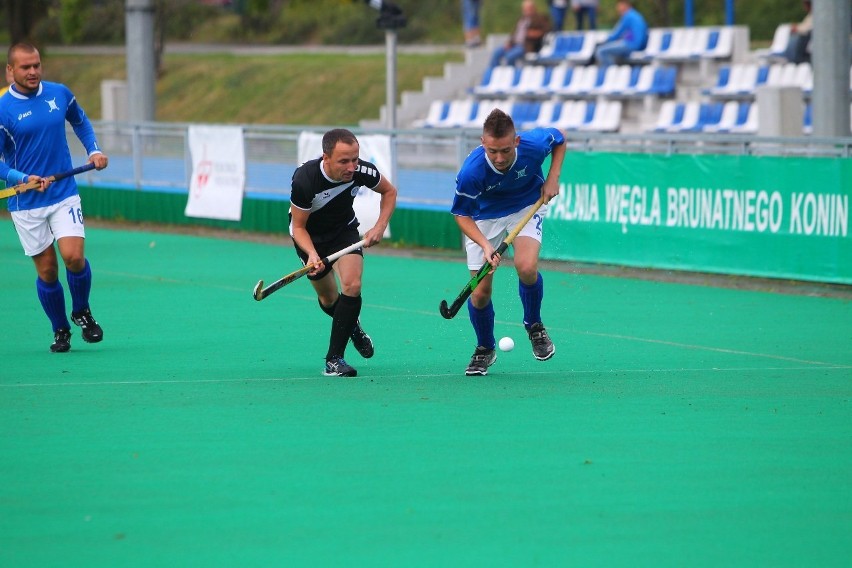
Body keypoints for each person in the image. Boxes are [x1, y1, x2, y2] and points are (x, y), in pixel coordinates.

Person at [0, 43, 109, 353]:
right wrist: (21, 179)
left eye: (36, 65)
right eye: (25, 67)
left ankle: (82, 312)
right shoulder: (3, 110)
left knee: (74, 257)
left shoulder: (59, 93)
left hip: (63, 193)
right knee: (47, 270)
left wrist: (95, 150)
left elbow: (80, 120)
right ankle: (60, 328)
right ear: (11, 70)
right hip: (27, 201)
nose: (33, 71)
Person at [450, 108, 566, 376]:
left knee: (526, 267)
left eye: (505, 150)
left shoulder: (534, 145)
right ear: (483, 143)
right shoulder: (471, 172)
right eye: (492, 151)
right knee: (479, 293)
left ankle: (534, 326)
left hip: (526, 207)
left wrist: (552, 177)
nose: (499, 158)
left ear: (516, 141)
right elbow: (461, 214)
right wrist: (486, 245)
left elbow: (560, 138)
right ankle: (485, 348)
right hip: (484, 219)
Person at [289, 128, 397, 377]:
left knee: (352, 285)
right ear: (326, 158)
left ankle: (334, 359)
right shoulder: (305, 180)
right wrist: (312, 254)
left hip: (343, 232)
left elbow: (389, 192)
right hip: (309, 237)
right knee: (329, 300)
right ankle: (352, 328)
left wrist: (379, 226)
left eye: (355, 159)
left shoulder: (362, 171)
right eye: (344, 161)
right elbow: (299, 227)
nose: (351, 167)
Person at [489, 0, 551, 68]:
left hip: (526, 46)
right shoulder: (521, 19)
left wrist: (536, 33)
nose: (526, 11)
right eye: (525, 9)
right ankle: (495, 72)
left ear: (533, 8)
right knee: (497, 53)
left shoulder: (540, 18)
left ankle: (512, 74)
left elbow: (548, 30)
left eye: (528, 8)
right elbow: (514, 34)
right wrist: (509, 43)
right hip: (514, 44)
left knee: (509, 57)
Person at [594, 0, 648, 67]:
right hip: (640, 45)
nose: (617, 8)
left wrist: (605, 41)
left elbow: (617, 34)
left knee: (601, 51)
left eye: (619, 5)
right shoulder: (635, 14)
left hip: (632, 45)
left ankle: (611, 73)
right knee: (614, 53)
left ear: (624, 5)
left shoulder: (628, 16)